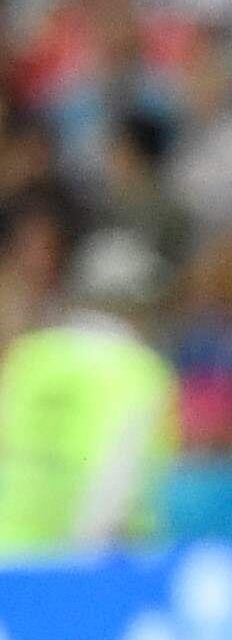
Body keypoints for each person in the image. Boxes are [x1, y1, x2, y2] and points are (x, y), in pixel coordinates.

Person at [0, 234, 180, 556]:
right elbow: (119, 476)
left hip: (11, 556)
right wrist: (84, 562)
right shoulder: (139, 372)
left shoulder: (30, 357)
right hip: (88, 562)